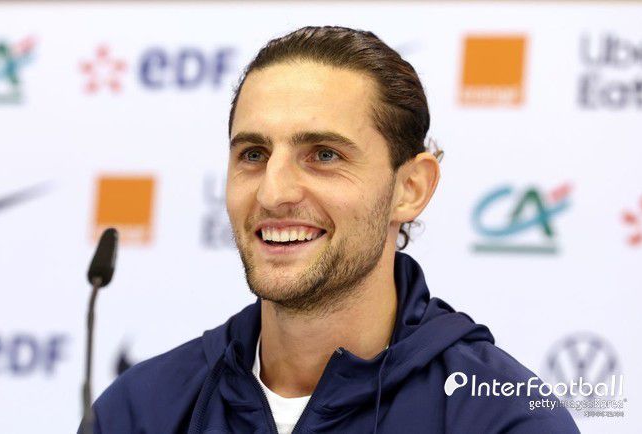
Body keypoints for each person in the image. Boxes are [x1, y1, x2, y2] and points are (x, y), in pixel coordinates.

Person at [82, 26, 580, 433]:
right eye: (253, 154)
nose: (273, 193)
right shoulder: (138, 412)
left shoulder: (500, 419)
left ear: (409, 188)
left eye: (323, 155)